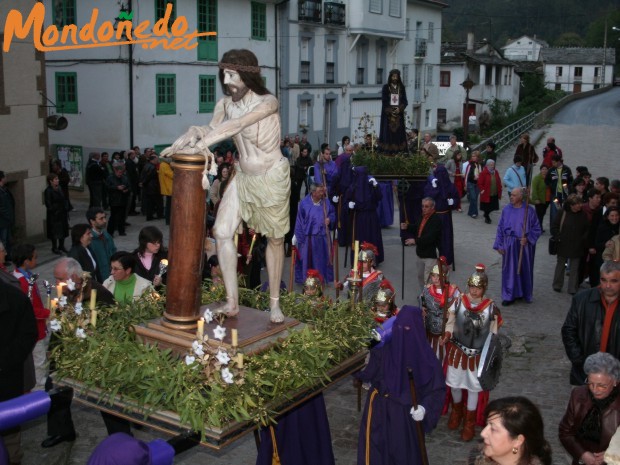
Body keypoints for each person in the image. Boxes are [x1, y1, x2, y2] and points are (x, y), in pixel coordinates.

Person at [166, 49, 291, 324]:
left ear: (248, 74)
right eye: (224, 73)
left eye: (232, 74)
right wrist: (194, 132)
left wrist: (202, 143)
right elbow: (213, 126)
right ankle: (232, 302)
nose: (227, 79)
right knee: (222, 231)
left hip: (271, 175)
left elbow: (237, 125)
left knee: (275, 238)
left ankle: (274, 304)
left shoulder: (268, 101)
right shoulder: (224, 103)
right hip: (243, 175)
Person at [355, 305, 445, 465]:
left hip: (405, 417)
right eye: (400, 327)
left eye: (408, 328)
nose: (403, 332)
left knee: (405, 456)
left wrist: (424, 407)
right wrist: (367, 347)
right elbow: (365, 373)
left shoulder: (428, 361)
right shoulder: (383, 350)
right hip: (379, 411)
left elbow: (436, 390)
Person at [444, 264, 502, 441]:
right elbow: (451, 322)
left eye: (478, 287)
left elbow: (493, 335)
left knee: (473, 389)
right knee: (454, 385)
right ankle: (456, 413)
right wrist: (447, 333)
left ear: (483, 288)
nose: (474, 290)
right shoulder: (459, 301)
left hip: (477, 357)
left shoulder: (491, 308)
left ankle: (469, 423)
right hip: (457, 352)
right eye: (472, 286)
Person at [562, 261, 620, 385]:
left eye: (613, 281)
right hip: (585, 373)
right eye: (604, 280)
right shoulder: (582, 300)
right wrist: (580, 361)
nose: (608, 285)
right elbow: (568, 330)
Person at [0, 279, 37, 465]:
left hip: (5, 381)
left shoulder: (15, 299)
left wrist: (3, 362)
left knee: (9, 440)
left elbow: (29, 335)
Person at [559, 352, 620, 465]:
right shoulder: (578, 395)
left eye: (602, 385)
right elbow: (565, 432)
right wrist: (582, 454)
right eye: (591, 383)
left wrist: (612, 454)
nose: (595, 389)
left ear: (615, 381)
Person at [493, 188, 542, 306]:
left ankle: (524, 292)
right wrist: (499, 244)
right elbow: (500, 228)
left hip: (524, 245)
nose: (511, 197)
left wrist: (528, 238)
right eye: (511, 195)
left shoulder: (529, 211)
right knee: (509, 270)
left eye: (514, 195)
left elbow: (537, 228)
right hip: (509, 244)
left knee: (524, 269)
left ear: (521, 197)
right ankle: (509, 295)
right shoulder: (506, 210)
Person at [11, 243, 50, 391]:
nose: (37, 260)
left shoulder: (21, 277)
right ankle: (39, 397)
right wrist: (48, 313)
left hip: (35, 328)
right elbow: (29, 309)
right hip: (35, 330)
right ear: (26, 261)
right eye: (34, 258)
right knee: (39, 366)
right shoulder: (21, 282)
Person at [471, 396, 552, 465]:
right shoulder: (478, 455)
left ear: (518, 440)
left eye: (493, 429)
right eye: (486, 424)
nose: (483, 433)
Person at [293, 183, 335, 286]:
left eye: (323, 191)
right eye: (320, 191)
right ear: (313, 192)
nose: (322, 193)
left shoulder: (326, 203)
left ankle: (320, 280)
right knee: (306, 260)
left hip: (322, 237)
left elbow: (333, 214)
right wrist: (298, 238)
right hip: (307, 238)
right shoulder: (304, 204)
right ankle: (307, 281)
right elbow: (299, 221)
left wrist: (330, 219)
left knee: (321, 260)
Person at [419, 257, 460, 360]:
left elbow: (459, 309)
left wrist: (451, 314)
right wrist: (422, 309)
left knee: (444, 357)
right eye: (433, 276)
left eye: (439, 276)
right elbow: (422, 302)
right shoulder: (427, 289)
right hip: (430, 330)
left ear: (445, 277)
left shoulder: (453, 292)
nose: (436, 279)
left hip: (445, 331)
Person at [401, 197, 442, 293]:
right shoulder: (422, 216)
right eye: (423, 206)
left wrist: (415, 241)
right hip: (420, 253)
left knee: (428, 278)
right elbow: (417, 227)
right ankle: (423, 294)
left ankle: (430, 297)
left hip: (430, 254)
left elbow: (430, 238)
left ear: (432, 207)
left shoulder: (436, 220)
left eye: (426, 206)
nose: (424, 208)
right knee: (420, 276)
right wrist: (408, 226)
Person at [345, 166, 384, 264]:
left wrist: (376, 186)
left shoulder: (371, 185)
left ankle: (372, 260)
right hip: (359, 217)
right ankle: (358, 260)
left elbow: (379, 197)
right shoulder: (353, 186)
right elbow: (347, 199)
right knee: (360, 238)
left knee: (371, 238)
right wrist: (349, 205)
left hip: (371, 217)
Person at [552, 195, 589, 295]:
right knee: (561, 265)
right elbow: (554, 226)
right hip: (563, 243)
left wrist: (582, 239)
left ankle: (572, 288)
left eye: (580, 204)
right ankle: (557, 285)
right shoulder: (562, 213)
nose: (579, 206)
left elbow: (586, 229)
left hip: (577, 244)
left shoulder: (583, 215)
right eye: (577, 204)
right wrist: (558, 237)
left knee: (574, 267)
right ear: (571, 205)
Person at [424, 165, 458, 266]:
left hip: (445, 216)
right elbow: (427, 198)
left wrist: (452, 201)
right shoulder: (432, 184)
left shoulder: (450, 186)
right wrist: (434, 188)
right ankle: (430, 259)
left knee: (446, 239)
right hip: (433, 216)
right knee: (432, 238)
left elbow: (456, 197)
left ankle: (445, 260)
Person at [378, 69, 408, 154]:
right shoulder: (386, 87)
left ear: (399, 77)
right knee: (388, 134)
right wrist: (391, 111)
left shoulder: (401, 88)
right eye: (393, 76)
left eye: (396, 76)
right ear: (390, 77)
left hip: (399, 116)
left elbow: (405, 101)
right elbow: (384, 101)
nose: (395, 78)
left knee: (399, 134)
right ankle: (387, 152)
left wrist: (399, 109)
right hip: (388, 117)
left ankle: (399, 152)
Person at [87, 207, 117, 282]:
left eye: (105, 217)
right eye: (101, 219)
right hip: (98, 279)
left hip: (111, 276)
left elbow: (114, 252)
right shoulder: (89, 240)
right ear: (92, 221)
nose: (105, 221)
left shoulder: (107, 235)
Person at [44, 173, 69, 255]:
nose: (57, 181)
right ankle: (54, 247)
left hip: (62, 213)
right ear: (50, 181)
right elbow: (48, 204)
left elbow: (64, 199)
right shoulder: (48, 191)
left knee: (63, 230)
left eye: (57, 179)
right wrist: (55, 210)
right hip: (54, 215)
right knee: (54, 232)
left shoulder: (60, 188)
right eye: (55, 179)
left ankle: (61, 246)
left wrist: (66, 207)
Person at [546, 153, 574, 227]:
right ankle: (554, 229)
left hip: (565, 195)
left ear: (559, 161)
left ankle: (563, 227)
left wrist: (568, 187)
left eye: (554, 162)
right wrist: (551, 186)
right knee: (555, 212)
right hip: (555, 196)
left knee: (565, 211)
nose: (553, 164)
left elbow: (571, 180)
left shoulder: (567, 169)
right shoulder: (551, 170)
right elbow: (546, 180)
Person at [105, 162, 130, 237]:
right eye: (119, 172)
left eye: (121, 173)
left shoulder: (124, 177)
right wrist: (116, 188)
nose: (120, 174)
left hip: (123, 199)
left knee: (122, 216)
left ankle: (121, 231)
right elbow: (107, 188)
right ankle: (110, 232)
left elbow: (129, 186)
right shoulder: (110, 178)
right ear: (115, 171)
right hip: (114, 200)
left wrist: (126, 190)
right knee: (113, 217)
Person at [478, 159, 502, 225]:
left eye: (493, 165)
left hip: (494, 192)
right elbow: (480, 183)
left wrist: (500, 188)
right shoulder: (483, 173)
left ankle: (486, 214)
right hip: (486, 193)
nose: (492, 166)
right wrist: (482, 190)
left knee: (493, 206)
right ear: (487, 165)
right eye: (490, 165)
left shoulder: (496, 172)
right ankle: (487, 216)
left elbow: (499, 180)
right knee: (487, 206)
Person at [140, 154, 163, 221]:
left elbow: (143, 175)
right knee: (158, 202)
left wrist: (142, 182)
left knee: (150, 203)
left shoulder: (146, 165)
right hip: (153, 187)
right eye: (156, 159)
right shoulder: (152, 167)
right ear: (153, 160)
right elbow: (148, 177)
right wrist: (143, 182)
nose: (157, 160)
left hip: (148, 187)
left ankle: (149, 216)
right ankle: (159, 215)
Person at [0, 171, 15, 261]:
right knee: (3, 240)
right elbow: (1, 208)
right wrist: (8, 216)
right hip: (3, 220)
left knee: (8, 239)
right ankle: (3, 259)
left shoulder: (4, 189)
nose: (6, 178)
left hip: (7, 220)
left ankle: (8, 256)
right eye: (5, 177)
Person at [530, 165, 551, 233]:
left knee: (542, 213)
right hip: (540, 200)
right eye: (543, 169)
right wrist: (536, 199)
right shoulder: (537, 178)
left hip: (547, 200)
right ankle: (538, 228)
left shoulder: (549, 178)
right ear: (540, 170)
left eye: (546, 169)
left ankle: (538, 227)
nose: (544, 171)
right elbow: (534, 189)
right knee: (539, 214)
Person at [464, 151, 482, 219]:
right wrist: (465, 185)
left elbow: (481, 174)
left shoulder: (480, 165)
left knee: (474, 199)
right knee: (473, 197)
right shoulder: (469, 165)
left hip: (477, 184)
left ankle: (470, 211)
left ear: (478, 157)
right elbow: (467, 175)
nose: (473, 157)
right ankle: (474, 213)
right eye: (472, 156)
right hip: (470, 183)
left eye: (474, 156)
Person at [158, 157, 173, 225]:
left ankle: (168, 220)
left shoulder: (163, 164)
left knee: (169, 205)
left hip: (168, 187)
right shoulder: (165, 165)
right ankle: (168, 221)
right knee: (169, 206)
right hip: (168, 187)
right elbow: (171, 175)